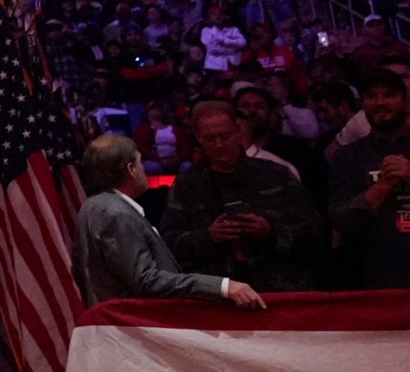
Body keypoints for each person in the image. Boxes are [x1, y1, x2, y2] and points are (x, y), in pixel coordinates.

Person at [72, 134, 264, 308]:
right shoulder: (115, 212)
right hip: (134, 328)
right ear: (131, 169)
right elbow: (146, 280)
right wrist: (221, 286)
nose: (144, 168)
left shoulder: (93, 206)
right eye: (140, 162)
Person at [156, 101, 319, 291]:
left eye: (225, 136)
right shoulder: (187, 186)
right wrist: (208, 236)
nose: (219, 145)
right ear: (199, 138)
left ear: (237, 131)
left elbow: (314, 234)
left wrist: (270, 232)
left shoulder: (276, 176)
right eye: (210, 139)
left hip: (279, 288)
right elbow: (169, 245)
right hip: (219, 295)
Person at [325, 67, 410, 288]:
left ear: (406, 101)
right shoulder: (346, 157)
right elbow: (339, 220)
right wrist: (382, 186)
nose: (380, 102)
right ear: (362, 105)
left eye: (390, 95)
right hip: (373, 276)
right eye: (371, 96)